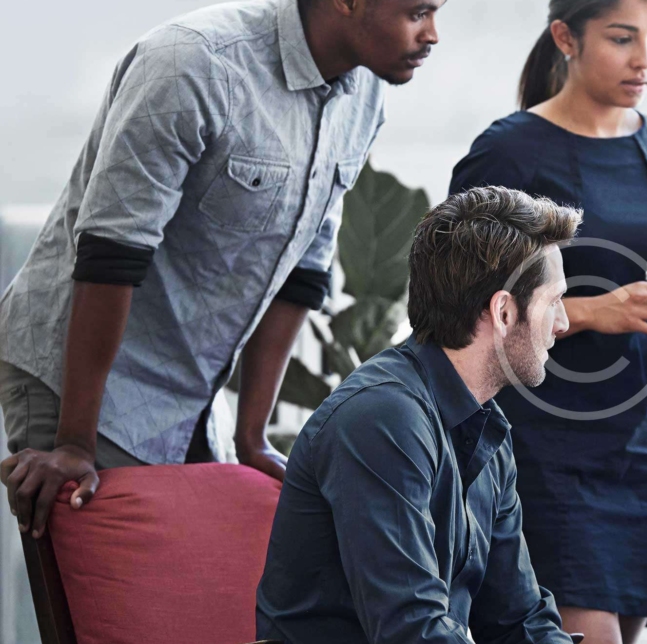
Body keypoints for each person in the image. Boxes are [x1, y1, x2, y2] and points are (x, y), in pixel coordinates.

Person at [0, 0, 445, 538]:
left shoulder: (364, 92)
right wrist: (74, 442)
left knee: (186, 599)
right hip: (82, 382)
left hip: (193, 392)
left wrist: (252, 438)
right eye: (418, 11)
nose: (433, 35)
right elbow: (113, 250)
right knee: (110, 611)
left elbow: (304, 268)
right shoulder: (194, 63)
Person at [448, 1, 647, 644]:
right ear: (565, 37)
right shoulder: (507, 152)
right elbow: (463, 306)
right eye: (622, 39)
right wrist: (600, 309)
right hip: (545, 440)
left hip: (646, 434)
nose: (645, 60)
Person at [256, 186, 586, 644]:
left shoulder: (485, 427)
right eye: (554, 301)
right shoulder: (382, 419)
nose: (564, 323)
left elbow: (519, 621)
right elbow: (412, 632)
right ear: (503, 311)